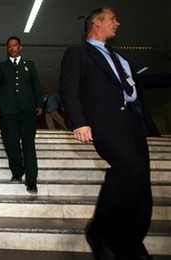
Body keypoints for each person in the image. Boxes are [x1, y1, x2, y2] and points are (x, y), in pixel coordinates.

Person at [60, 7, 160, 260]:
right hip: (106, 124)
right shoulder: (79, 54)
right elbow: (69, 89)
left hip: (134, 123)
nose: (118, 22)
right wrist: (79, 122)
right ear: (96, 22)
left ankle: (131, 242)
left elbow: (139, 83)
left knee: (141, 184)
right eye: (113, 18)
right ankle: (100, 232)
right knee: (129, 169)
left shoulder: (119, 58)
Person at [0, 36, 43, 194]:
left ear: (20, 47)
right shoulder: (1, 67)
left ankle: (31, 180)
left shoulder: (30, 65)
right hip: (8, 111)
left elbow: (36, 85)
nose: (12, 48)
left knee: (28, 143)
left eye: (14, 45)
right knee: (11, 142)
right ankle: (17, 172)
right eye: (9, 46)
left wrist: (40, 104)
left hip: (28, 109)